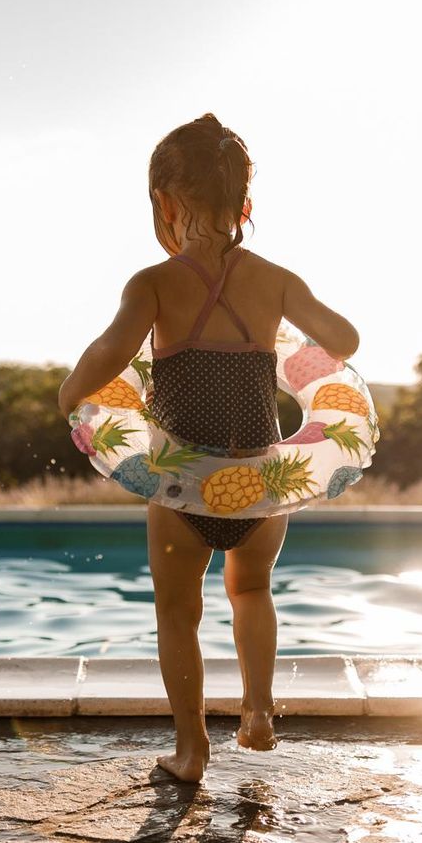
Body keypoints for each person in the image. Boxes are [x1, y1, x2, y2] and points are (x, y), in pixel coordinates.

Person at [58, 114, 359, 782]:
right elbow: (344, 337)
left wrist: (71, 396)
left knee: (178, 611)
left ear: (164, 204)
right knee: (252, 590)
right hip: (261, 478)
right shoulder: (275, 279)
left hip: (181, 484)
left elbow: (110, 354)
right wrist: (301, 344)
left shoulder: (153, 284)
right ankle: (256, 712)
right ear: (245, 207)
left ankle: (191, 749)